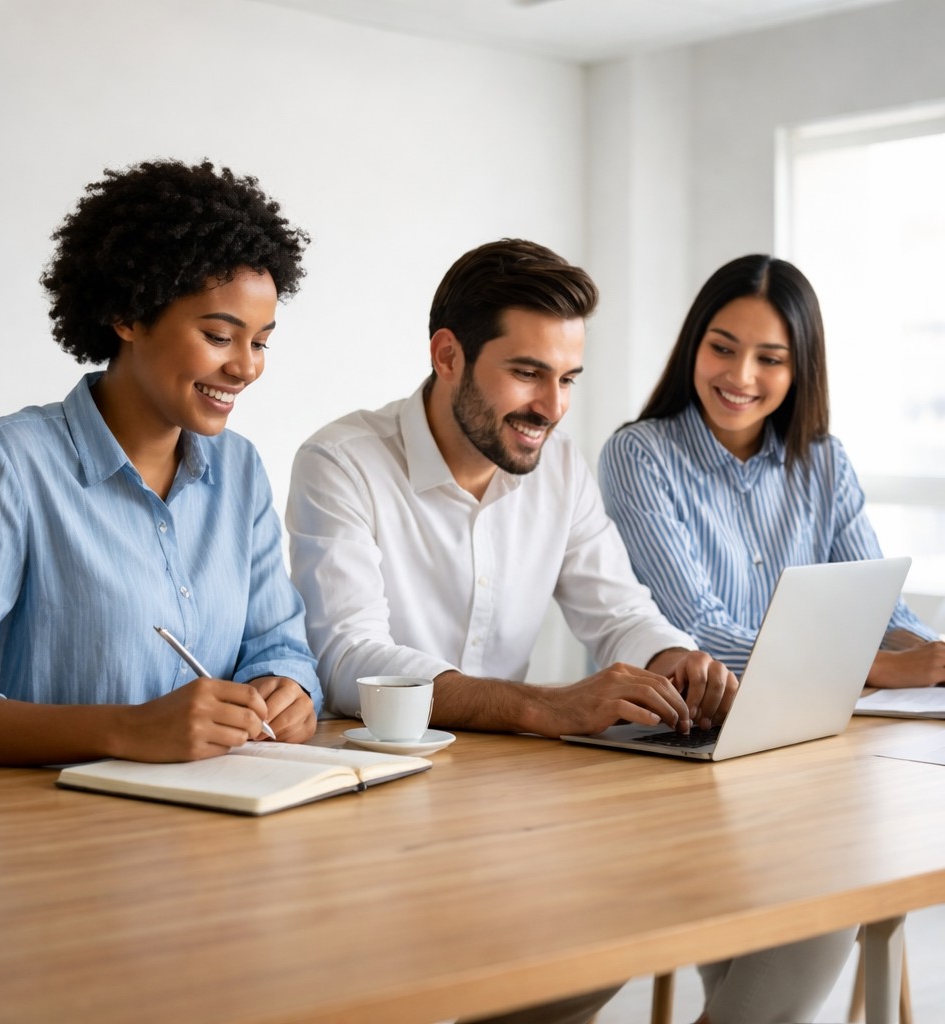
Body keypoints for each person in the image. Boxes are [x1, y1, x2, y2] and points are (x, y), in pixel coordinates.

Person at [286, 239, 844, 1024]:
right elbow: (349, 659)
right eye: (527, 373)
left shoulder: (560, 468)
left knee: (807, 891)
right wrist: (545, 707)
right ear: (448, 356)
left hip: (509, 816)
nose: (551, 406)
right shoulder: (342, 461)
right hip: (376, 820)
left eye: (568, 379)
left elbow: (616, 608)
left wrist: (676, 659)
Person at [0, 158, 321, 767]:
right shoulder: (9, 463)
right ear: (128, 315)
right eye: (220, 336)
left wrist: (288, 687)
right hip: (55, 831)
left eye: (260, 341)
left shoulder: (239, 470)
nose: (247, 367)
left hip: (217, 824)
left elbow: (279, 644)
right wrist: (126, 730)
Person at [599, 253, 944, 687]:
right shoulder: (638, 456)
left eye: (770, 359)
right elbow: (699, 631)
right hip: (682, 723)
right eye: (722, 348)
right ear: (693, 345)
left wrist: (931, 654)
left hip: (807, 713)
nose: (741, 376)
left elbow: (880, 611)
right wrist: (870, 668)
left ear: (799, 369)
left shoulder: (825, 463)